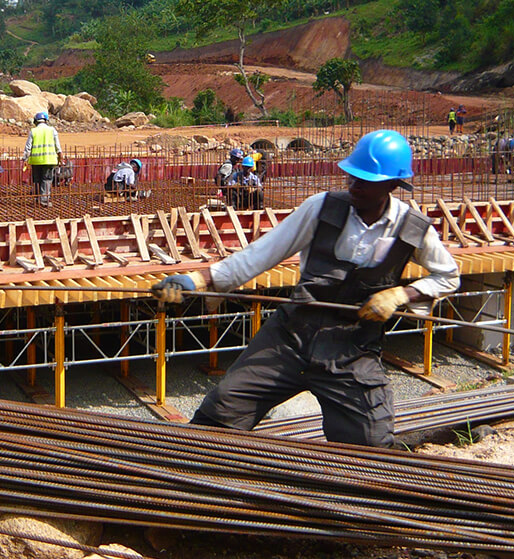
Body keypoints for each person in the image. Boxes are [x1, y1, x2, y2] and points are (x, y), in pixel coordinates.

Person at [152, 130, 459, 447]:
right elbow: (258, 256)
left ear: (393, 184)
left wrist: (401, 295)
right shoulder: (321, 208)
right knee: (220, 414)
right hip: (292, 335)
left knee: (370, 445)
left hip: (352, 349)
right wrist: (195, 281)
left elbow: (448, 276)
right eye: (352, 176)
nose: (353, 185)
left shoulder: (413, 227)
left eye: (365, 181)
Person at [24, 111, 62, 207]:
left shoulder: (33, 131)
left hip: (36, 161)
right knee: (47, 180)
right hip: (49, 160)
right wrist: (60, 157)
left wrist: (25, 159)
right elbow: (58, 146)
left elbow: (28, 147)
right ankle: (44, 201)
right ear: (46, 121)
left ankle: (37, 199)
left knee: (37, 179)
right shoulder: (52, 130)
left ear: (36, 121)